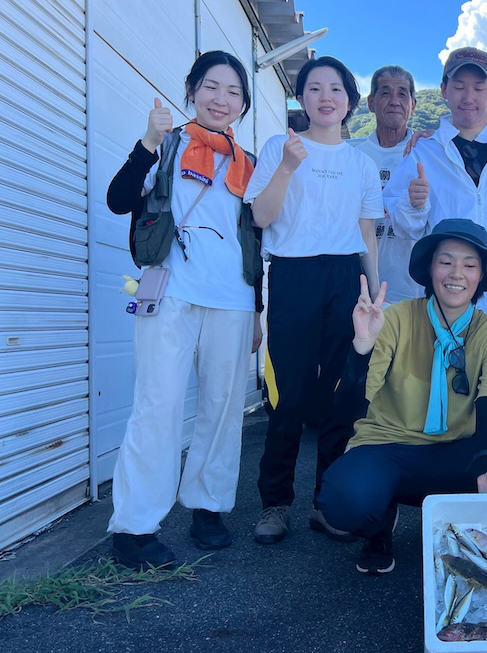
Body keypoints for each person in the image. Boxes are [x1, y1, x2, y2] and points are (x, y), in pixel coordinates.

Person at [316, 219, 487, 574]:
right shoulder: (394, 318)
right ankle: (380, 520)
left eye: (469, 265)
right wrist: (362, 347)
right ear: (430, 269)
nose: (456, 273)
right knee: (343, 501)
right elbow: (349, 407)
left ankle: (469, 523)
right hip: (390, 448)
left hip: (458, 450)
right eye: (445, 261)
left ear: (481, 275)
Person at [105, 50, 264, 568]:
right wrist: (148, 142)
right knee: (159, 406)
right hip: (171, 292)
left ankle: (208, 508)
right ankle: (134, 527)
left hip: (234, 300)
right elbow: (118, 198)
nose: (222, 99)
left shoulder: (250, 165)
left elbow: (258, 243)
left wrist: (258, 310)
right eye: (212, 87)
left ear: (243, 103)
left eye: (234, 92)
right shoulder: (167, 145)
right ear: (191, 89)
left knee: (222, 411)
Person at [245, 56, 382, 545]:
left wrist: (374, 292)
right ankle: (275, 503)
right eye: (315, 88)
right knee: (288, 394)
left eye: (337, 89)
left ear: (350, 100)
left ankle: (329, 503)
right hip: (293, 275)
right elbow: (261, 216)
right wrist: (286, 165)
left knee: (341, 396)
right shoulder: (278, 148)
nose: (327, 97)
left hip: (346, 279)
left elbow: (366, 231)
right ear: (301, 98)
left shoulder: (362, 164)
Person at [384, 47, 487, 367]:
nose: (469, 96)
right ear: (443, 90)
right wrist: (415, 205)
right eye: (458, 86)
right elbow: (404, 225)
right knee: (441, 395)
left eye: (479, 87)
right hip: (445, 295)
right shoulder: (424, 151)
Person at [355, 65, 423, 303]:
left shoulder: (428, 153)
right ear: (371, 102)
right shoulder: (355, 156)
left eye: (403, 94)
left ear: (413, 105)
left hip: (416, 289)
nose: (395, 101)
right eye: (385, 93)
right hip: (360, 289)